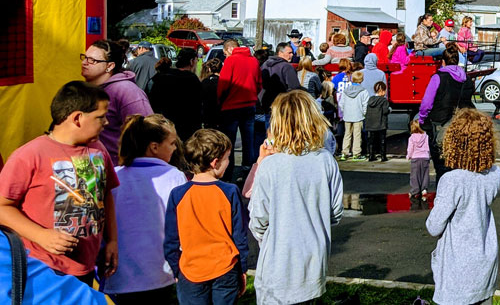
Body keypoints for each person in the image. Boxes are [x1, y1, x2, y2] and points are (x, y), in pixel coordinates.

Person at [0, 81, 119, 283]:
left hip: (85, 268)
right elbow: (3, 207)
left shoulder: (98, 149)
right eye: (100, 117)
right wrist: (41, 235)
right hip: (43, 269)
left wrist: (112, 240)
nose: (106, 122)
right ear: (77, 118)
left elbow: (104, 195)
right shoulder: (29, 155)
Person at [248, 90, 344, 305]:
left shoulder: (270, 166)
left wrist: (270, 239)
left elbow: (258, 219)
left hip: (277, 267)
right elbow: (335, 212)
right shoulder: (326, 160)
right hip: (313, 263)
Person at [104, 114, 187, 304]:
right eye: (172, 143)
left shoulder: (115, 176)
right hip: (159, 271)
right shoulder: (174, 176)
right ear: (154, 147)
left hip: (119, 272)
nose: (175, 148)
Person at [425, 109, 500, 305]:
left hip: (457, 266)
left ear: (454, 142)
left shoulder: (452, 180)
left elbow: (433, 226)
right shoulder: (494, 174)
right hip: (485, 259)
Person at [165, 129, 249, 305]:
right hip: (226, 269)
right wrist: (242, 269)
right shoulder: (230, 191)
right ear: (215, 162)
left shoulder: (178, 194)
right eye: (227, 158)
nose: (229, 163)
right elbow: (240, 236)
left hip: (190, 271)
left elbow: (171, 240)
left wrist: (176, 269)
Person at [83, 39, 154, 161]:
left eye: (92, 60)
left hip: (120, 171)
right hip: (93, 171)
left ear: (110, 66)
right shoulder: (87, 90)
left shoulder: (126, 91)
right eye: (84, 57)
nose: (84, 63)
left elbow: (147, 131)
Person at [417, 45, 475, 178]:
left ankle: (444, 194)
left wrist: (422, 119)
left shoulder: (438, 77)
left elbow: (426, 103)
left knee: (442, 167)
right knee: (460, 164)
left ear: (443, 61)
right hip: (463, 122)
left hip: (441, 121)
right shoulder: (466, 78)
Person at [216, 43, 261, 169]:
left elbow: (223, 84)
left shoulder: (231, 61)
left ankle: (228, 169)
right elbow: (258, 83)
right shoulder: (254, 61)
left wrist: (220, 101)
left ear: (230, 49)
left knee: (229, 140)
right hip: (249, 104)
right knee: (248, 139)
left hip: (231, 106)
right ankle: (247, 167)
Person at [149, 47, 205, 143]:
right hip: (187, 129)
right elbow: (198, 106)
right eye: (196, 60)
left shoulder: (161, 78)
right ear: (192, 61)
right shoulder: (192, 80)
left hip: (165, 127)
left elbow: (153, 102)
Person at [259, 42, 301, 158]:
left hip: (266, 102)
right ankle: (280, 153)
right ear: (280, 53)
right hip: (282, 105)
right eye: (289, 52)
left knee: (269, 130)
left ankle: (268, 152)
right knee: (282, 130)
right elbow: (294, 87)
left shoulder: (265, 64)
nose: (292, 55)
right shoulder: (286, 67)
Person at [340, 71, 369, 162]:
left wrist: (345, 111)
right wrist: (364, 113)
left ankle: (344, 153)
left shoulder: (346, 90)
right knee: (357, 135)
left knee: (347, 134)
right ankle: (356, 153)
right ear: (362, 79)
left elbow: (341, 103)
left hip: (347, 116)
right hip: (358, 116)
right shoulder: (363, 91)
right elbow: (365, 104)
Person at [364, 81, 391, 162]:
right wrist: (390, 110)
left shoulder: (370, 99)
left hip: (371, 123)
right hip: (381, 123)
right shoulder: (384, 100)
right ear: (382, 91)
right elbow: (385, 111)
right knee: (382, 140)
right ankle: (383, 156)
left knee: (371, 140)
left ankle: (371, 155)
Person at [408, 120, 431, 200]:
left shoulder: (411, 138)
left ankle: (415, 190)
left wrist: (409, 156)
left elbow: (410, 148)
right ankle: (424, 189)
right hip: (425, 157)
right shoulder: (426, 136)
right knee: (425, 174)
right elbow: (428, 147)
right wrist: (428, 155)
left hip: (415, 158)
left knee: (415, 175)